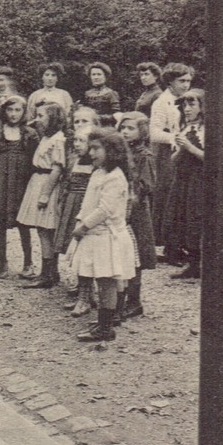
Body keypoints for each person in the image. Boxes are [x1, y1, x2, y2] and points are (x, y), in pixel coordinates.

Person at [70, 130, 137, 343]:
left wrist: (84, 226)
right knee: (101, 280)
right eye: (90, 148)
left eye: (96, 148)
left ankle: (106, 327)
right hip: (95, 235)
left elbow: (105, 209)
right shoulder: (98, 172)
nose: (91, 153)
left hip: (107, 236)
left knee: (107, 282)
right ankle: (103, 320)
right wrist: (81, 219)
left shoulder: (115, 177)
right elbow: (89, 202)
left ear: (112, 151)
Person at [56, 106, 101, 317]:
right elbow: (67, 180)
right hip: (72, 206)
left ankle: (87, 295)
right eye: (77, 122)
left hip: (88, 209)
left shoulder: (99, 160)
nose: (80, 126)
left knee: (89, 252)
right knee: (75, 250)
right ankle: (83, 291)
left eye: (85, 121)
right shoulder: (74, 157)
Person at [16, 103, 67, 288]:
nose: (38, 119)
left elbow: (57, 169)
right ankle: (50, 272)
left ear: (53, 118)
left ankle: (48, 274)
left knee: (46, 230)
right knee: (41, 229)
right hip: (37, 180)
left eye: (42, 116)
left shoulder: (58, 139)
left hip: (47, 183)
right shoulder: (46, 137)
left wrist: (45, 194)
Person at [0, 95, 35, 278]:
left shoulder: (30, 133)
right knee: (0, 224)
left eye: (17, 110)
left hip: (21, 183)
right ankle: (3, 263)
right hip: (1, 182)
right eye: (10, 110)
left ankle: (28, 262)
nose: (13, 114)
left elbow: (33, 162)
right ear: (4, 111)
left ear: (23, 112)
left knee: (23, 223)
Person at [148, 63, 194, 261]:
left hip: (187, 151)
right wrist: (173, 138)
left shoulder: (189, 100)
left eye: (188, 81)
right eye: (181, 81)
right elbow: (154, 132)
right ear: (170, 81)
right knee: (169, 198)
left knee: (185, 196)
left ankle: (183, 244)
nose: (185, 85)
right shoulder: (162, 102)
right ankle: (170, 246)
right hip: (168, 154)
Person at [163, 90, 208, 279]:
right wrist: (180, 149)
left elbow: (212, 159)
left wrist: (189, 147)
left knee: (196, 219)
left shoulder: (208, 129)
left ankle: (204, 265)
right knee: (181, 217)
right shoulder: (184, 127)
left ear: (202, 107)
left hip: (200, 181)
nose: (187, 109)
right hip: (183, 180)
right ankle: (192, 263)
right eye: (185, 105)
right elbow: (174, 158)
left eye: (192, 105)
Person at [116, 110, 155, 319]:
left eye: (130, 128)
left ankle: (134, 301)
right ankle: (117, 299)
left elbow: (147, 184)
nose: (125, 132)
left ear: (142, 131)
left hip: (136, 212)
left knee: (134, 255)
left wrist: (129, 194)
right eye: (122, 127)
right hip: (118, 208)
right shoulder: (120, 153)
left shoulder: (144, 156)